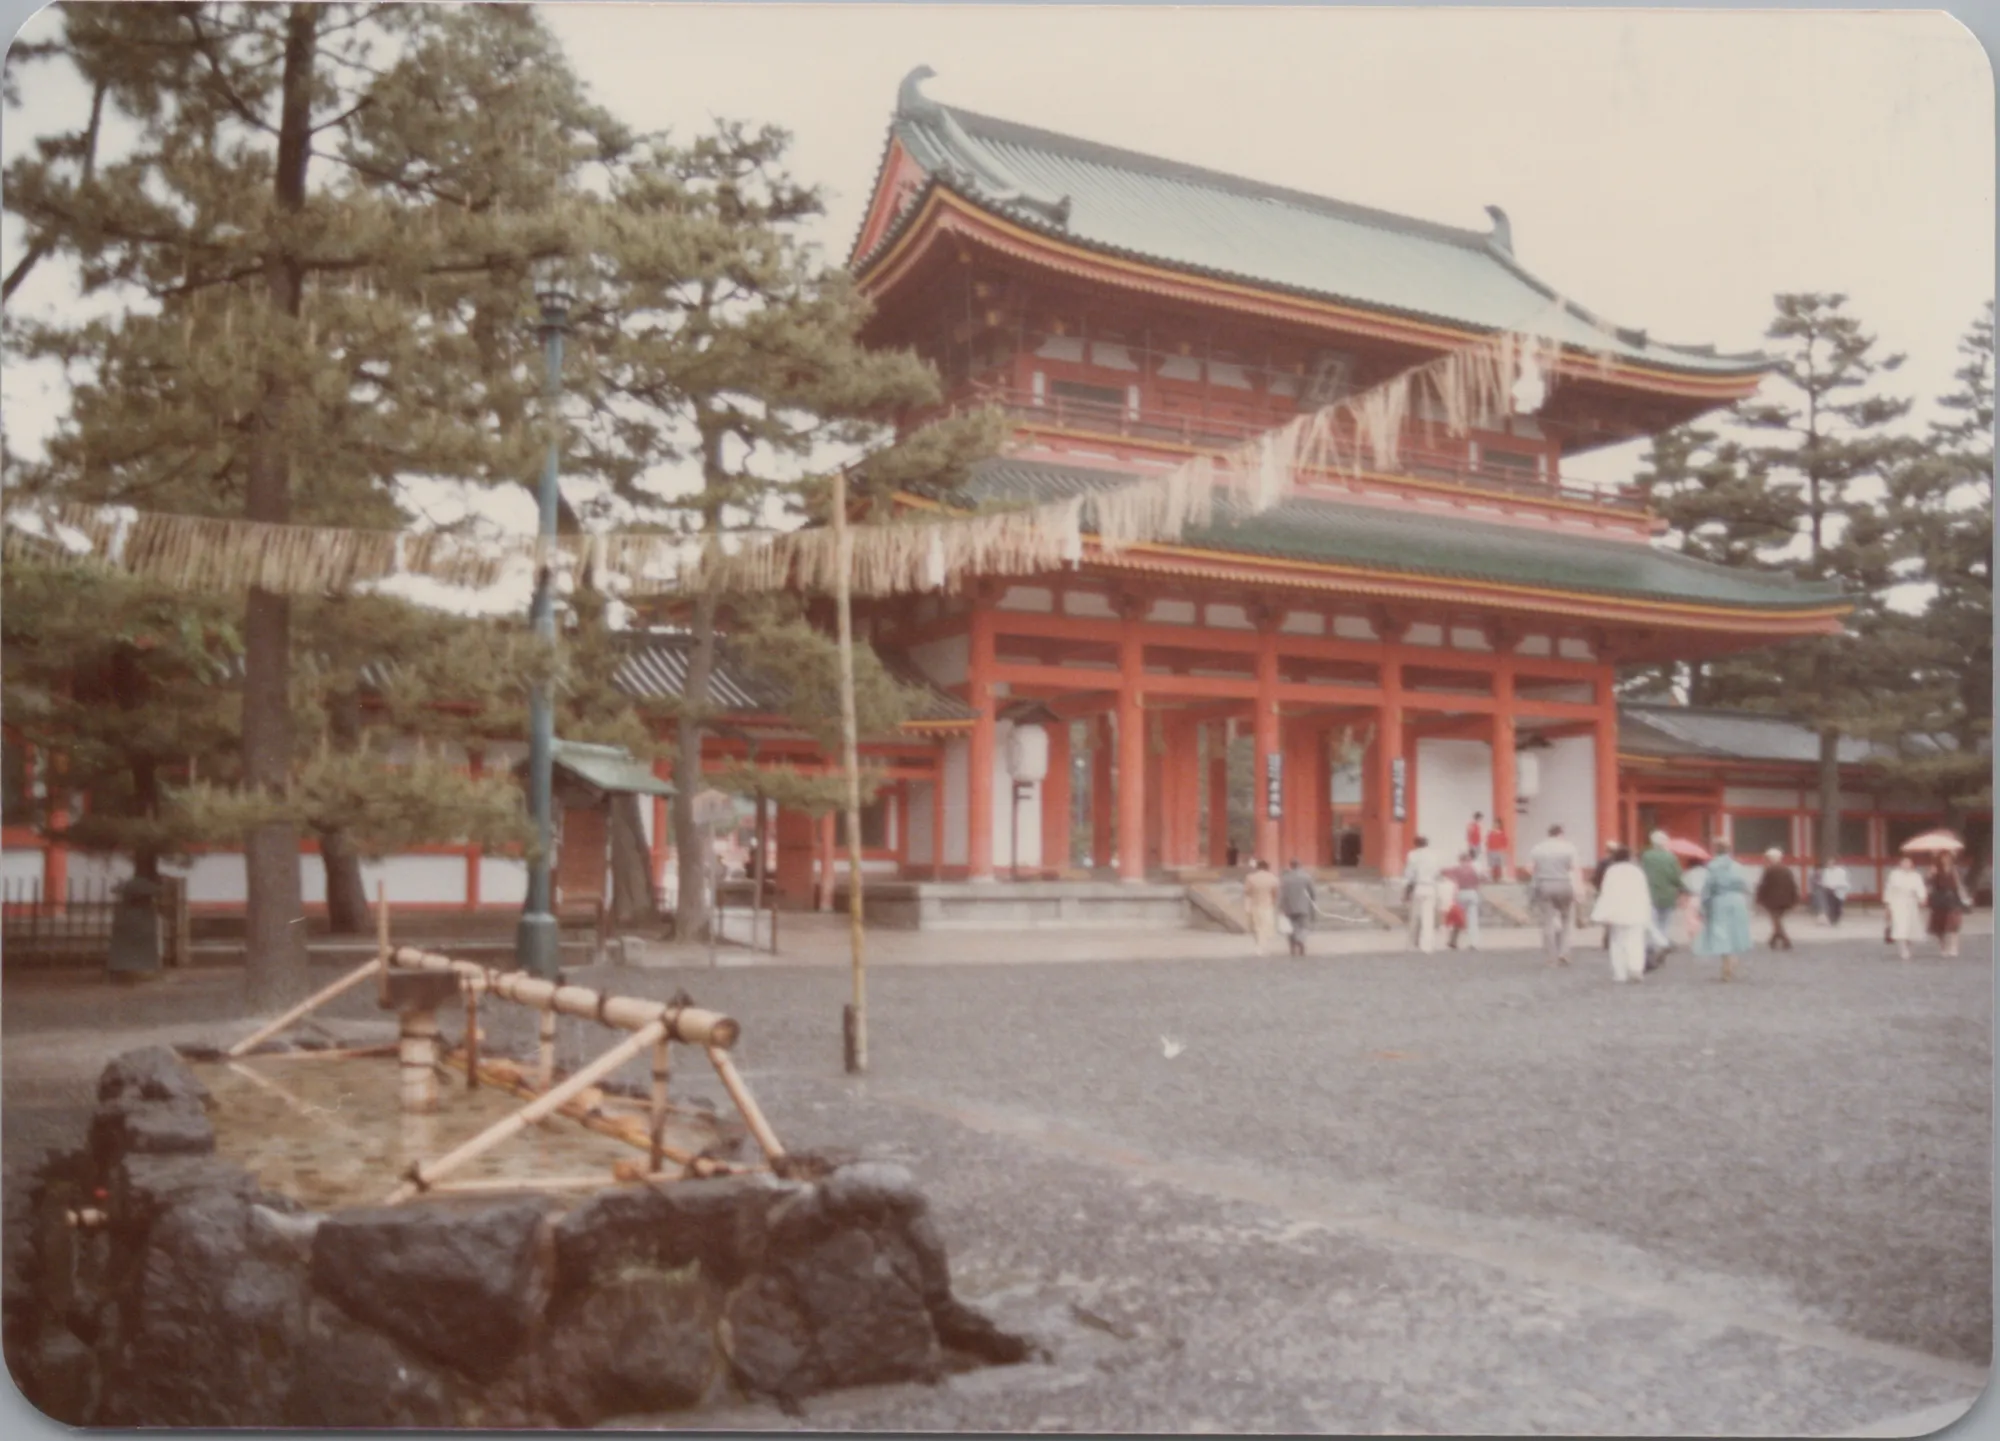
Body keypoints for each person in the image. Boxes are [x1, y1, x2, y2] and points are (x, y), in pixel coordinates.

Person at [1591, 844, 1652, 983]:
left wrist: (1603, 912)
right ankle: (1635, 968)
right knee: (1636, 941)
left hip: (1616, 911)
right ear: (1630, 858)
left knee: (1617, 942)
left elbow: (1606, 892)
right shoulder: (1638, 872)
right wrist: (1646, 911)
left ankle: (1620, 973)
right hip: (1635, 910)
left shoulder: (1611, 871)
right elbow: (1644, 893)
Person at [1525, 823, 1583, 966]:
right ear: (1561, 834)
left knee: (1548, 922)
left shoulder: (1538, 848)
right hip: (1564, 884)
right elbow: (1575, 869)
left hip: (1545, 885)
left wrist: (1539, 874)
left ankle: (1551, 956)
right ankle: (1564, 951)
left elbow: (1529, 868)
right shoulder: (1569, 847)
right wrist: (1579, 889)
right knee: (1566, 919)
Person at [1695, 841, 1753, 982]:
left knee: (1722, 932)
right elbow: (1747, 885)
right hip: (1738, 900)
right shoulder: (1738, 866)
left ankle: (1726, 963)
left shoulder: (1712, 867)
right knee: (1736, 931)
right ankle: (1733, 958)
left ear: (1715, 850)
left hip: (1720, 900)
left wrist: (1703, 905)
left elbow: (1708, 887)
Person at [1639, 830, 1683, 970]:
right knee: (1665, 924)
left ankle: (1652, 948)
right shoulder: (1671, 857)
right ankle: (1662, 946)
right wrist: (1681, 887)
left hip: (1650, 893)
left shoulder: (1646, 856)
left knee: (1652, 924)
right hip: (1668, 894)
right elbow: (1676, 876)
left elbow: (1642, 872)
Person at [1402, 834, 1445, 953]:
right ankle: (1427, 945)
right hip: (1430, 887)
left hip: (1418, 887)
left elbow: (1409, 874)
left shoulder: (1412, 855)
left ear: (1416, 844)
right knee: (1428, 918)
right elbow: (1437, 873)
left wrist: (1407, 891)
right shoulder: (1434, 855)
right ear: (1427, 843)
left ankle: (1411, 944)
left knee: (1414, 917)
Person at [1883, 855, 1927, 961]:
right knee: (1900, 925)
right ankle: (1902, 948)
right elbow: (1889, 889)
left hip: (1911, 902)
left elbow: (1920, 887)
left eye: (1908, 863)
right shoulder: (1894, 875)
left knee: (1910, 926)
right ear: (1900, 864)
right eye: (1904, 862)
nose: (1906, 865)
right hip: (1897, 902)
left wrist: (1922, 898)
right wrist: (1887, 904)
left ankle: (1908, 945)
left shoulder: (1916, 876)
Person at [1755, 848, 1800, 950]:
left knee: (1776, 920)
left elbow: (1764, 886)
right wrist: (1795, 899)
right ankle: (1773, 939)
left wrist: (1759, 898)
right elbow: (1792, 886)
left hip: (1772, 900)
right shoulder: (1787, 870)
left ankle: (1785, 940)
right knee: (1777, 920)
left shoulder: (1769, 870)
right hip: (1786, 900)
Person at [1927, 854, 1969, 958]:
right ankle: (1943, 947)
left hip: (1952, 898)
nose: (1945, 860)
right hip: (1939, 898)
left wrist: (1964, 896)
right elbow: (1929, 884)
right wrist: (1930, 875)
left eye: (1948, 858)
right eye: (1943, 858)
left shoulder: (1955, 870)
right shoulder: (1935, 870)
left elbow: (1959, 885)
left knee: (1954, 923)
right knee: (1939, 925)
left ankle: (1954, 947)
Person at [1444, 849, 1483, 950]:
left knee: (1458, 918)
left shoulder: (1457, 869)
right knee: (1472, 919)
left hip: (1461, 893)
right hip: (1473, 892)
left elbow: (1445, 872)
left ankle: (1453, 940)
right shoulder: (1475, 868)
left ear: (1460, 859)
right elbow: (1484, 877)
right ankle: (1473, 942)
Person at [1277, 859, 1316, 957]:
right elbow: (1312, 892)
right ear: (1299, 865)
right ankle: (1301, 940)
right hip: (1303, 906)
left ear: (1290, 866)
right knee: (1303, 926)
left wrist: (1280, 906)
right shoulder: (1306, 877)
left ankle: (1292, 947)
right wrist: (1312, 903)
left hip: (1289, 906)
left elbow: (1281, 894)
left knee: (1291, 928)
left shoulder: (1285, 878)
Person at [1243, 859, 1279, 955]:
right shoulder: (1273, 878)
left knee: (1257, 926)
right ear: (1267, 867)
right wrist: (1273, 901)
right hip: (1268, 905)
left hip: (1255, 904)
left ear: (1257, 867)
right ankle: (1264, 946)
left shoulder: (1250, 877)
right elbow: (1275, 893)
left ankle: (1259, 946)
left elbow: (1247, 892)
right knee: (1266, 926)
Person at [1820, 859, 1850, 926]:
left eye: (1831, 863)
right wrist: (1826, 886)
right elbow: (1824, 881)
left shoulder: (1841, 871)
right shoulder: (1826, 871)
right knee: (1830, 906)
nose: (1830, 865)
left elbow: (1843, 881)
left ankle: (1837, 919)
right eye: (1828, 864)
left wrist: (1837, 886)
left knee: (1838, 906)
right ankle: (1832, 920)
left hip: (1838, 890)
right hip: (1829, 890)